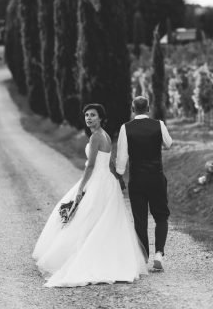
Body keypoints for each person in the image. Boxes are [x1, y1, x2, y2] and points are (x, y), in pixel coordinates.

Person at [32, 103, 147, 287]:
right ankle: (111, 258)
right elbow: (108, 162)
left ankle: (84, 257)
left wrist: (80, 188)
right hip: (108, 182)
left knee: (86, 218)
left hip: (98, 182)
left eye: (93, 115)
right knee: (105, 221)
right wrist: (118, 178)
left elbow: (91, 166)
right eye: (86, 115)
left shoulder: (95, 137)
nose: (89, 118)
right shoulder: (106, 135)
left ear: (100, 118)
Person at [116, 96, 173, 271]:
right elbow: (168, 144)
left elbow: (122, 158)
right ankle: (159, 254)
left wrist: (119, 177)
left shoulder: (126, 128)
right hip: (156, 177)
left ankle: (143, 257)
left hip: (137, 179)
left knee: (140, 219)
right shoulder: (159, 124)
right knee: (161, 216)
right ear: (148, 108)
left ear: (133, 110)